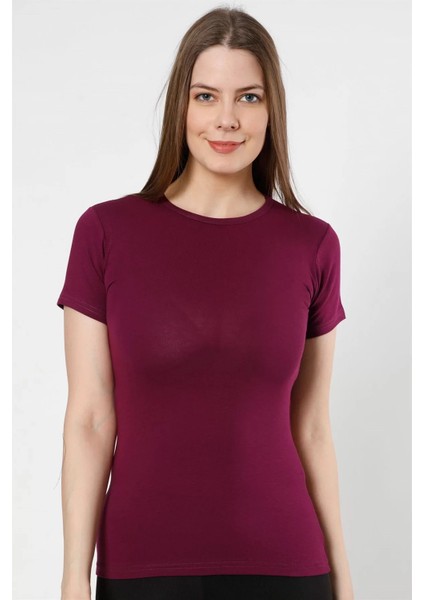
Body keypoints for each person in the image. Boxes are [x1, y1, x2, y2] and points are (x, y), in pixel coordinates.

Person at [57, 6, 354, 600]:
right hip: (142, 568)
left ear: (271, 110)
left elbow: (313, 427)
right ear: (181, 107)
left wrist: (344, 580)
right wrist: (72, 578)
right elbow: (90, 420)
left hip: (286, 567)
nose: (226, 119)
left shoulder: (312, 245)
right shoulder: (106, 232)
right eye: (206, 96)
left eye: (249, 97)